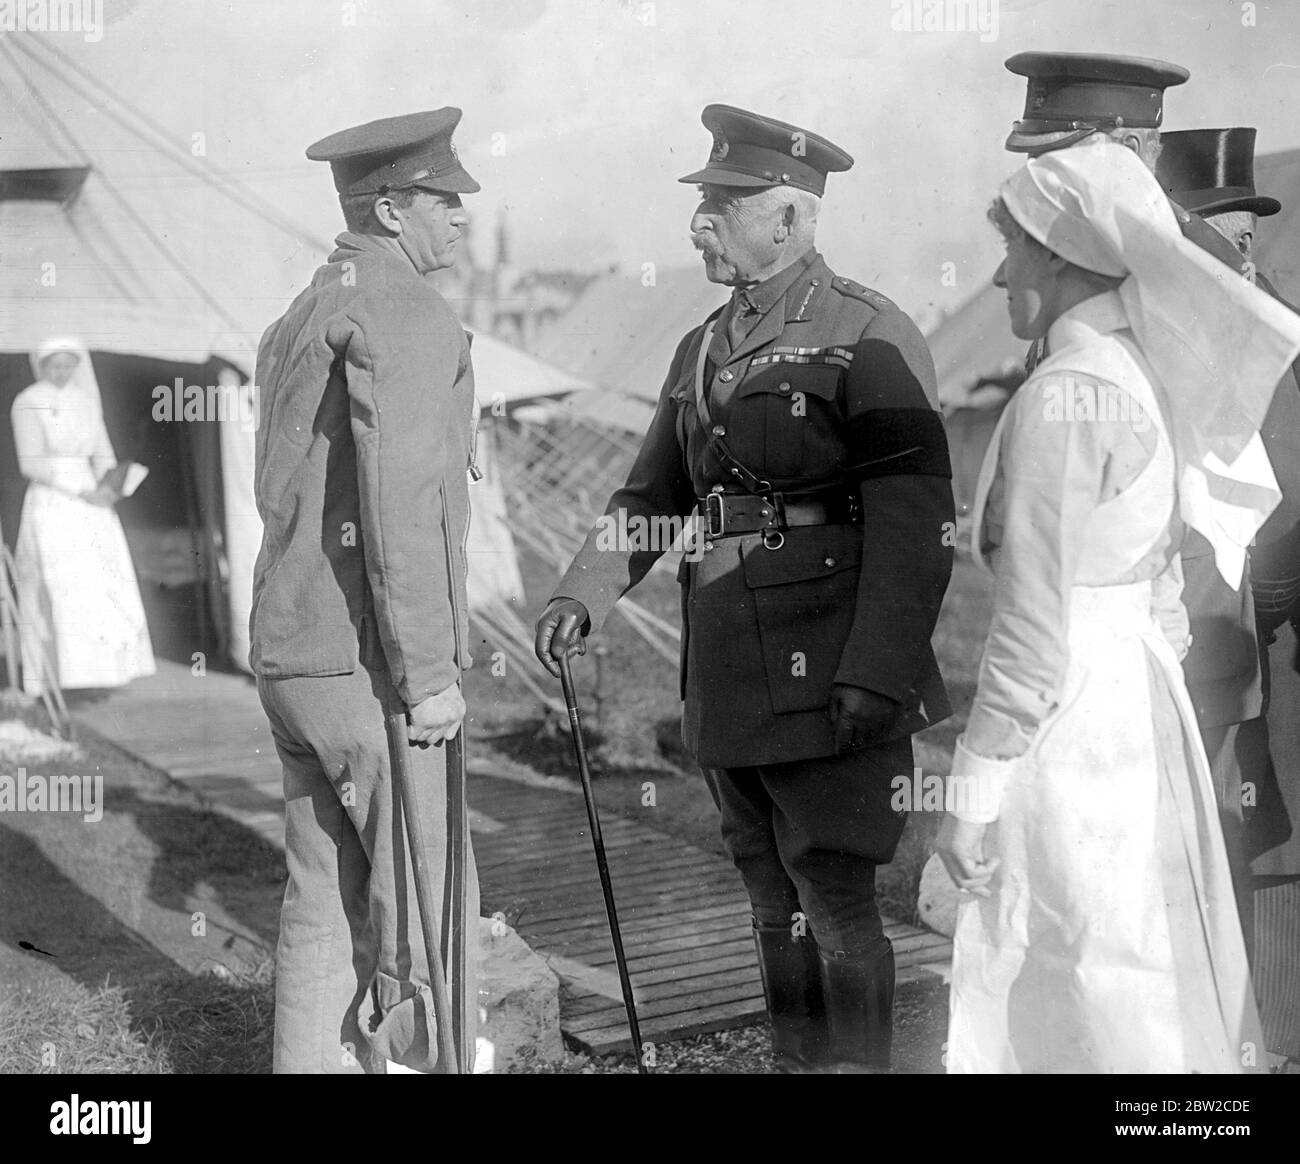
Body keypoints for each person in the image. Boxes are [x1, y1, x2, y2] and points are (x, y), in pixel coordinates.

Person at [534, 104, 954, 1073]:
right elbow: (651, 493)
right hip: (725, 666)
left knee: (836, 901)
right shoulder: (700, 348)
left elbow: (914, 522)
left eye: (719, 205)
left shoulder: (868, 331)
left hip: (830, 667)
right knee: (768, 895)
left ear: (790, 219)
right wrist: (580, 596)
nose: (696, 226)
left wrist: (876, 673)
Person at [938, 141, 1300, 1073]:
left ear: (1059, 254)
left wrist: (967, 799)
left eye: (1013, 248)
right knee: (1146, 956)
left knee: (1078, 964)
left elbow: (1027, 627)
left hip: (1067, 714)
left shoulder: (1067, 395)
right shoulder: (1142, 369)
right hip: (1137, 695)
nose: (999, 271)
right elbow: (1168, 575)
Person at [999, 53, 1300, 983]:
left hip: (1209, 620)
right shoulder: (1114, 290)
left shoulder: (1213, 299)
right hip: (1162, 626)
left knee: (1220, 846)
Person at [250, 108, 480, 1074]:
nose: (464, 218)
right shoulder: (407, 312)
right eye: (445, 201)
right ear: (390, 209)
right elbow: (401, 507)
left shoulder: (302, 309)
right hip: (371, 667)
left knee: (319, 906)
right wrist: (428, 674)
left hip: (294, 654)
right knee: (427, 919)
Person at [1159, 126, 1300, 1072]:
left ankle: (1280, 1039)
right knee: (1205, 828)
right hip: (1193, 625)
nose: (1240, 250)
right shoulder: (1155, 341)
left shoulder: (1286, 332)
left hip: (1283, 632)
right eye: (1219, 229)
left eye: (1249, 231)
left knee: (1280, 828)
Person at [11, 336, 154, 694]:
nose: (61, 372)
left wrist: (112, 486)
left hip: (94, 505)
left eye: (68, 365)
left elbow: (103, 453)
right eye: (53, 366)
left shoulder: (86, 402)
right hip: (54, 502)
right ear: (41, 366)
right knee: (60, 583)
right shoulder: (28, 402)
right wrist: (79, 490)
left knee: (99, 584)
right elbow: (31, 462)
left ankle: (98, 674)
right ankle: (50, 678)